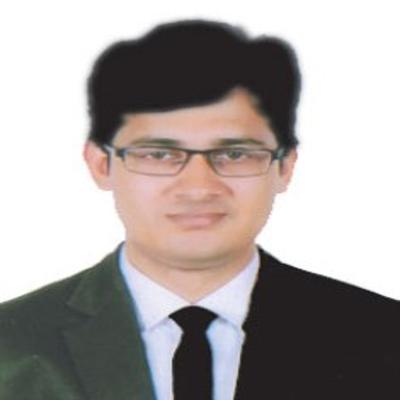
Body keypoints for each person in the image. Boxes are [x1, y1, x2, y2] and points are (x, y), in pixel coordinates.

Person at [0, 19, 399, 400]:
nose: (198, 187)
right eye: (159, 154)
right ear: (101, 163)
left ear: (285, 166)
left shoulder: (382, 337)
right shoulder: (11, 345)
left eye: (235, 153)